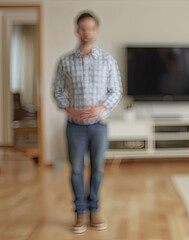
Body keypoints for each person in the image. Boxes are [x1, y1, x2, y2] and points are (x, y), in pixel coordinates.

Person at [53, 11, 122, 234]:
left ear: (96, 30)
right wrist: (68, 108)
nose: (86, 32)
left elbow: (116, 90)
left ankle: (95, 211)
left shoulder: (107, 60)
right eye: (83, 28)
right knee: (75, 171)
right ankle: (79, 213)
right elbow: (57, 91)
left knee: (97, 170)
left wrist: (102, 107)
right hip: (74, 127)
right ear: (77, 30)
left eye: (90, 28)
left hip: (99, 125)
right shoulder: (64, 61)